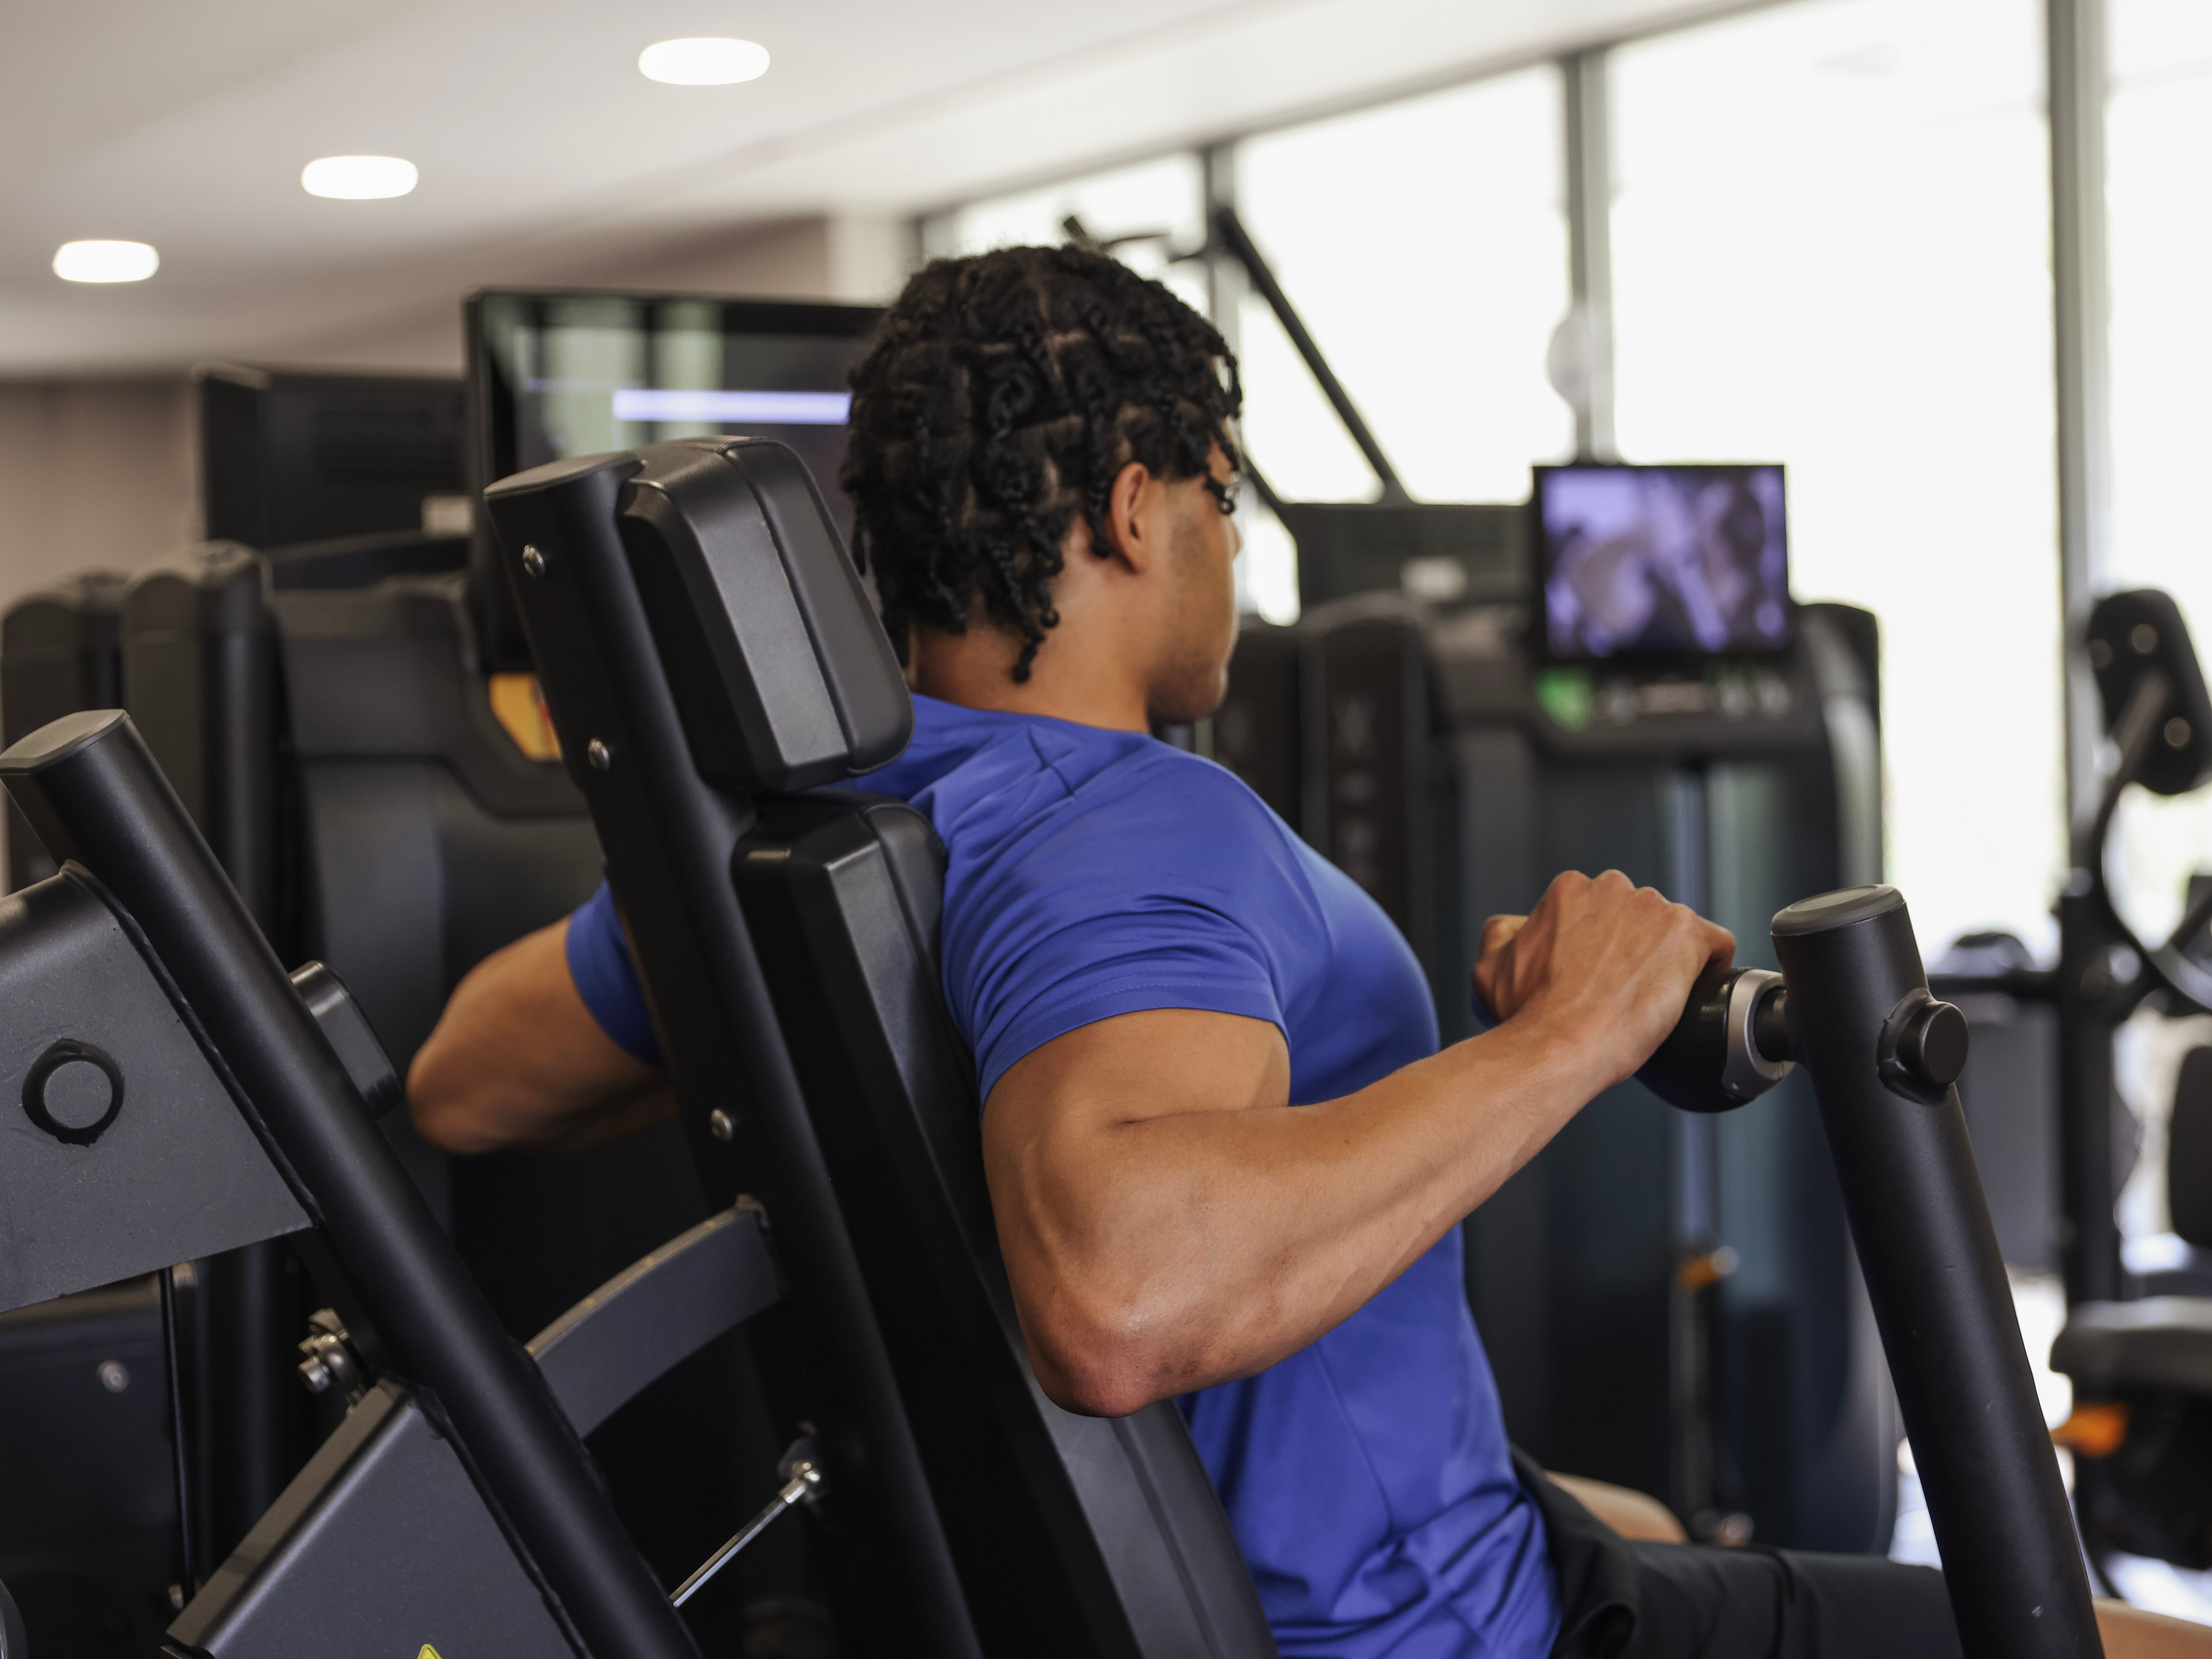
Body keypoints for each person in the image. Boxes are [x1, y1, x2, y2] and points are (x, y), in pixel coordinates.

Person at [411, 247, 2192, 1659]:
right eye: (1218, 503)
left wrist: (732, 984)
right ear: (1128, 511)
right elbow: (1118, 1296)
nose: (1234, 556)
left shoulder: (854, 825)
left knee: (1637, 1515)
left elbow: (464, 1081)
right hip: (1441, 1630)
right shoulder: (1137, 823)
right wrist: (1567, 1036)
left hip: (1367, 1549)